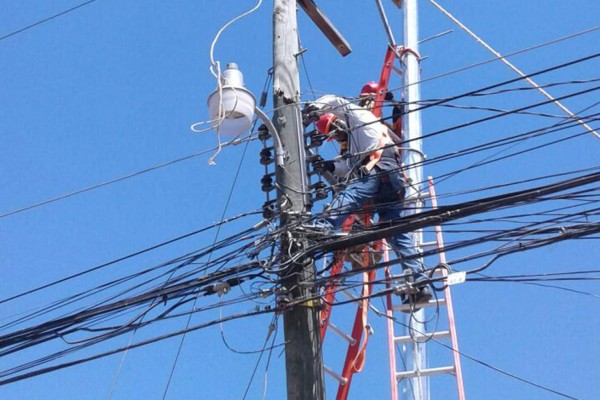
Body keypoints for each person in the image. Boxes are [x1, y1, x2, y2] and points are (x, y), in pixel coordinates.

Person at [309, 94, 431, 306]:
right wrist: (330, 166)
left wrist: (316, 108)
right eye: (334, 136)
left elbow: (338, 101)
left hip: (380, 169)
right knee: (395, 231)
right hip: (392, 184)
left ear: (339, 122)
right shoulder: (352, 147)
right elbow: (348, 169)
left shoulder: (359, 119)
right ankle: (420, 282)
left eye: (335, 132)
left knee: (350, 195)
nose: (338, 138)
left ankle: (321, 227)